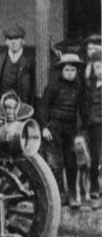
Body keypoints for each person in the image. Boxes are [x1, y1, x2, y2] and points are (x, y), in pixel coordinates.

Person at [40, 53, 86, 209]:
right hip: (54, 127)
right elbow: (44, 107)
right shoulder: (53, 86)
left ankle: (72, 195)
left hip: (71, 128)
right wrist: (44, 127)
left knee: (71, 162)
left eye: (73, 70)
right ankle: (59, 195)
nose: (70, 73)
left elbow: (83, 110)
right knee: (56, 163)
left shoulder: (79, 88)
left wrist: (82, 131)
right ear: (61, 70)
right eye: (67, 69)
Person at [0, 24, 35, 106]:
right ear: (6, 42)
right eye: (10, 39)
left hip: (22, 106)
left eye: (17, 38)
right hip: (0, 104)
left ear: (23, 41)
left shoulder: (29, 61)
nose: (13, 42)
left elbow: (33, 89)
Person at [83, 52, 101, 208]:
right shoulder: (90, 85)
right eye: (97, 66)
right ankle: (95, 187)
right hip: (94, 125)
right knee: (95, 156)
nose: (100, 70)